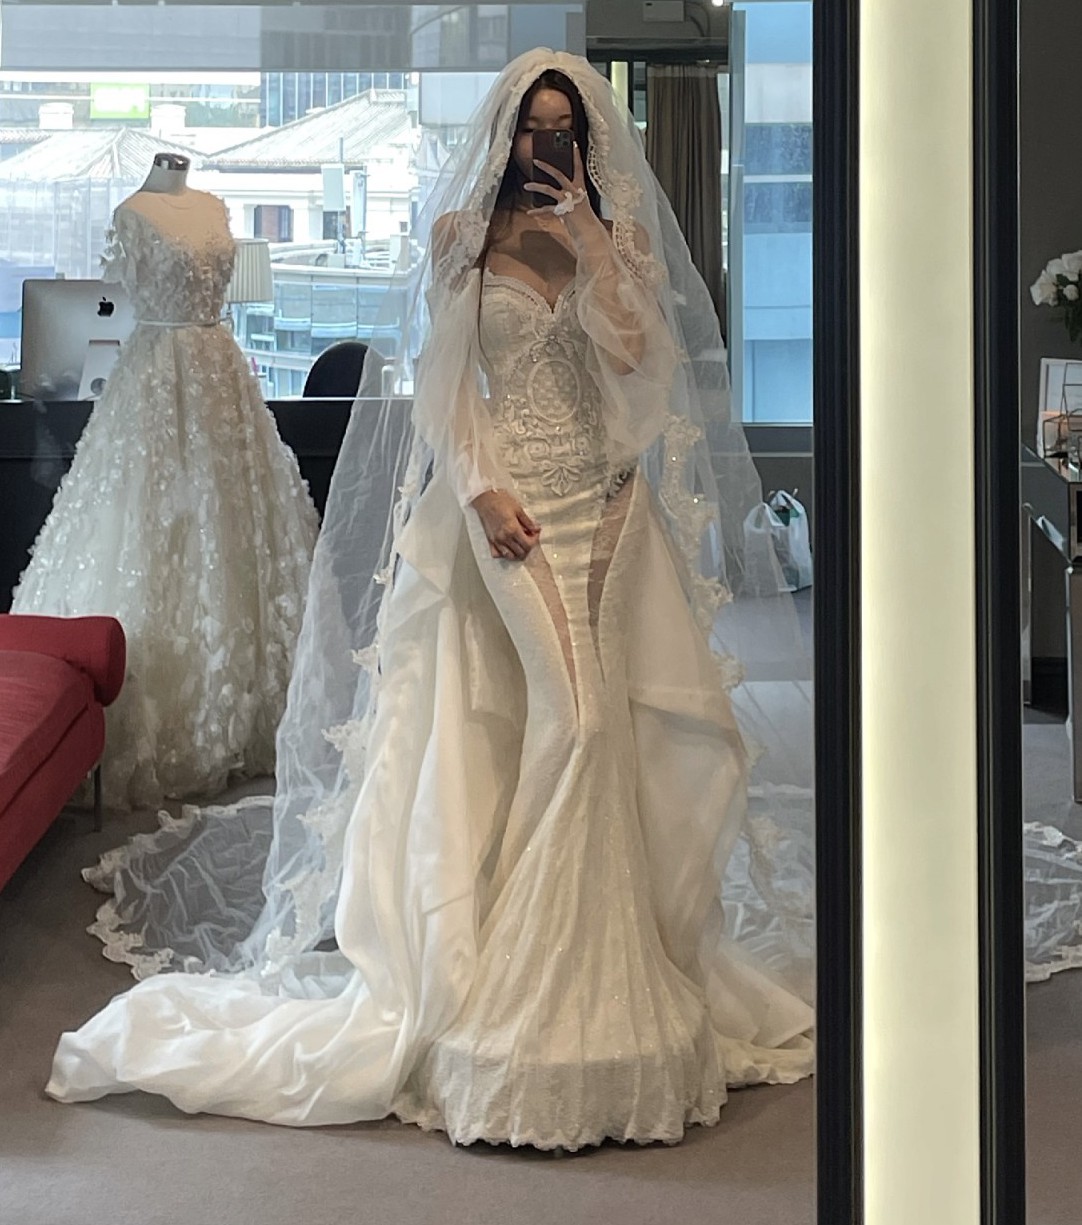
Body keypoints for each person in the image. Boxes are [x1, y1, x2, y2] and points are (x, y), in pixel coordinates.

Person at [46, 51, 815, 1151]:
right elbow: (445, 385)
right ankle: (516, 987)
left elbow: (642, 367)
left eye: (565, 129)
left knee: (605, 725)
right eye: (532, 128)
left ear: (587, 140)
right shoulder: (462, 238)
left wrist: (591, 237)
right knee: (574, 720)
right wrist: (480, 487)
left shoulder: (615, 243)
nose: (547, 146)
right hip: (509, 512)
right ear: (505, 136)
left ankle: (602, 978)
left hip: (607, 506)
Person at [11, 156, 318, 809]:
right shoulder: (133, 213)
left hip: (221, 378)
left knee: (234, 526)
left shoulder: (212, 206)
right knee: (154, 528)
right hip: (155, 380)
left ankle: (253, 701)